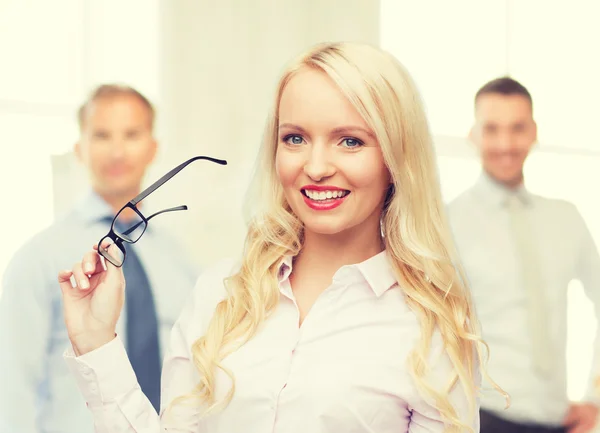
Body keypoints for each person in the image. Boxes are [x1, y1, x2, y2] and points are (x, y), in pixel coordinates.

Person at [58, 43, 494, 433]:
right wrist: (96, 342)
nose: (317, 165)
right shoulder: (219, 294)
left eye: (350, 141)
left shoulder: (431, 325)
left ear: (396, 156)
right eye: (296, 138)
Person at [0, 84, 198, 433]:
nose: (117, 151)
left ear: (153, 148)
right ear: (80, 149)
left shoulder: (181, 261)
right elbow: (13, 387)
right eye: (102, 135)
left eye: (132, 134)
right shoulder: (37, 259)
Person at [447, 77, 600, 433]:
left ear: (534, 132)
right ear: (474, 135)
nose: (505, 144)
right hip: (483, 418)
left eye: (517, 128)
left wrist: (595, 394)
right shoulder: (446, 221)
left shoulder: (567, 217)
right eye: (492, 129)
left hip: (558, 421)